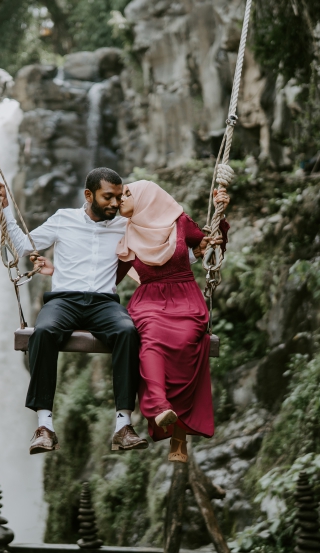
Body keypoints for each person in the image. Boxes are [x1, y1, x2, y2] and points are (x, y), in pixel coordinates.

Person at [0, 168, 149, 455]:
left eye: (118, 197)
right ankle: (44, 426)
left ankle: (123, 425)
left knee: (127, 332)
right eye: (108, 197)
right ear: (89, 195)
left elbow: (160, 246)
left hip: (103, 303)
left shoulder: (125, 226)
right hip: (64, 301)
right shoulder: (63, 219)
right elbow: (24, 245)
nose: (115, 203)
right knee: (44, 332)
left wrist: (201, 246)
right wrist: (5, 210)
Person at [116, 180, 228, 463]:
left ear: (146, 197)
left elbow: (211, 245)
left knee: (188, 342)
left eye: (127, 194)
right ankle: (159, 405)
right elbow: (107, 276)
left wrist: (220, 216)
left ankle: (180, 435)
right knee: (151, 338)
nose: (120, 200)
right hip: (149, 302)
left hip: (185, 297)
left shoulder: (179, 223)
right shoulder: (123, 234)